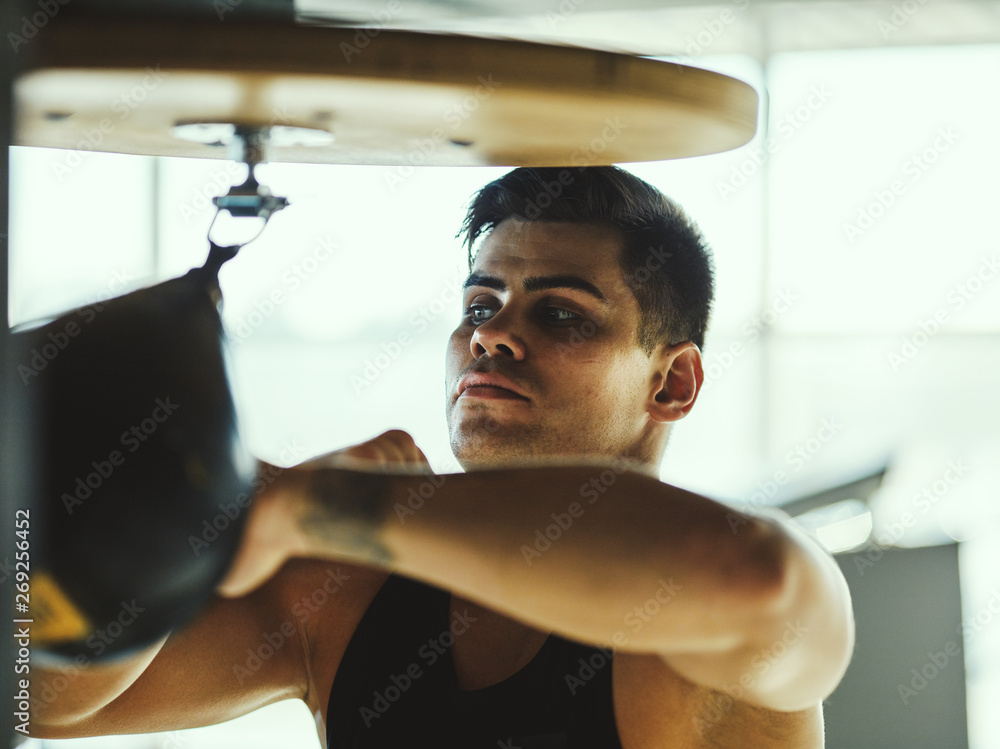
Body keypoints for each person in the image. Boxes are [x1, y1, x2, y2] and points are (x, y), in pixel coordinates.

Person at [33, 166, 854, 748]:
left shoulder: (698, 647)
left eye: (563, 314)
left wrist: (315, 504)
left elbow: (748, 578)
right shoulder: (345, 597)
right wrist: (188, 510)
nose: (492, 333)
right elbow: (39, 699)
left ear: (672, 382)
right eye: (480, 304)